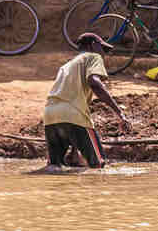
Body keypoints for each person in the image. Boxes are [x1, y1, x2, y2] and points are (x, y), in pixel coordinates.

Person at [43, 32, 129, 168]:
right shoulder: (93, 57)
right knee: (98, 167)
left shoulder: (68, 65)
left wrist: (74, 148)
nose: (103, 54)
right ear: (93, 45)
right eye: (103, 49)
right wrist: (119, 113)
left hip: (50, 115)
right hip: (74, 115)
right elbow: (94, 82)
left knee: (54, 167)